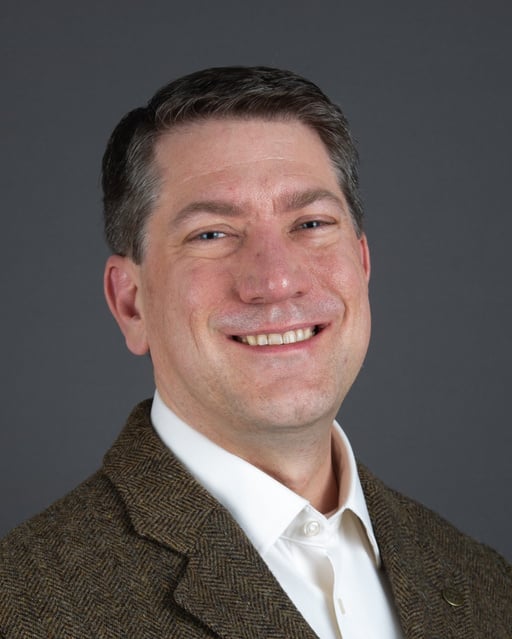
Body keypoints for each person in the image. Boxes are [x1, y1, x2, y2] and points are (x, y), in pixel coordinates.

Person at [0, 66, 510, 639]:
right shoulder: (27, 606)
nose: (276, 280)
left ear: (362, 267)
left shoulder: (485, 585)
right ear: (131, 303)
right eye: (212, 234)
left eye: (311, 223)